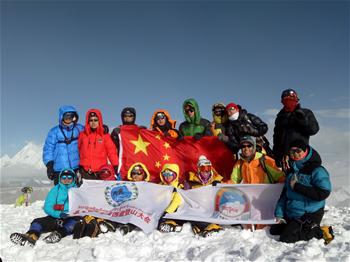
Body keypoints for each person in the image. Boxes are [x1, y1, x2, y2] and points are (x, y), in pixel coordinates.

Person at [270, 140, 333, 244]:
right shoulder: (291, 172)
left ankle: (321, 231)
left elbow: (323, 193)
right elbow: (284, 196)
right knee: (274, 230)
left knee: (287, 237)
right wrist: (279, 214)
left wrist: (297, 187)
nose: (295, 154)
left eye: (298, 150)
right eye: (292, 152)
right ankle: (301, 227)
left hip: (310, 213)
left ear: (305, 151)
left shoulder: (316, 170)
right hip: (294, 213)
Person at [10, 169, 80, 246]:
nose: (66, 179)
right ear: (60, 178)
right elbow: (48, 207)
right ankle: (31, 236)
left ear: (73, 178)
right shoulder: (55, 190)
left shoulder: (78, 191)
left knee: (74, 224)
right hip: (56, 217)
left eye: (69, 177)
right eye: (64, 177)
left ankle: (58, 234)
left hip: (71, 217)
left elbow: (80, 206)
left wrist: (60, 208)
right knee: (37, 222)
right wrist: (59, 214)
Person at [273, 89, 319, 168]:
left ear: (296, 100)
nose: (289, 102)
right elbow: (276, 137)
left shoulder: (305, 112)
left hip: (300, 154)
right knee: (287, 179)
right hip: (284, 158)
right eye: (286, 99)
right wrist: (276, 154)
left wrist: (302, 120)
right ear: (282, 101)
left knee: (301, 178)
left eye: (291, 99)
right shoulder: (280, 117)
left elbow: (313, 129)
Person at [43, 106, 84, 185]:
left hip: (76, 168)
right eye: (66, 116)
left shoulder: (79, 128)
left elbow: (90, 131)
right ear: (62, 117)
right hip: (59, 169)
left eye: (71, 116)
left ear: (74, 117)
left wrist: (102, 128)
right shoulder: (54, 131)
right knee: (61, 194)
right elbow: (48, 149)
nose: (69, 118)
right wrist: (49, 165)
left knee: (76, 194)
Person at [186, 155, 224, 237]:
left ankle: (213, 227)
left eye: (208, 169)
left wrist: (219, 185)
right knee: (190, 214)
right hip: (198, 209)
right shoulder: (192, 181)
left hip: (212, 209)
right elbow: (186, 195)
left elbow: (226, 191)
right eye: (203, 169)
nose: (206, 172)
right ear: (199, 169)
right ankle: (203, 226)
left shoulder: (216, 180)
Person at [78, 109, 119, 180]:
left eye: (95, 120)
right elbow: (78, 149)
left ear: (99, 121)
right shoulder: (82, 135)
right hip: (85, 172)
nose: (93, 122)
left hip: (101, 172)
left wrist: (115, 165)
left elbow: (111, 152)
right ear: (88, 122)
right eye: (91, 120)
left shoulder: (105, 135)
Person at [158, 163, 184, 233]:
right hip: (161, 209)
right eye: (165, 175)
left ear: (175, 175)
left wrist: (167, 211)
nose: (167, 177)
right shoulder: (160, 185)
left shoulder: (179, 186)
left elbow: (177, 201)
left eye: (170, 174)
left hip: (173, 210)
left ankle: (173, 226)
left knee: (172, 218)